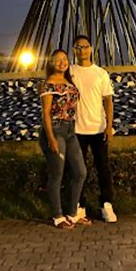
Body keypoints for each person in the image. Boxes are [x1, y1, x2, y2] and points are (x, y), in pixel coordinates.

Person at [39, 49, 91, 229]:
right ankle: (58, 215)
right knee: (57, 174)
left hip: (70, 130)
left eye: (65, 59)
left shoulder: (69, 82)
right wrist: (51, 138)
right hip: (55, 129)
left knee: (81, 172)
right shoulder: (49, 84)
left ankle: (72, 213)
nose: (62, 62)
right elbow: (45, 113)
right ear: (52, 63)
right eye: (58, 60)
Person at [70, 35, 117, 223]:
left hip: (98, 128)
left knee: (103, 168)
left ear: (91, 49)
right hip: (77, 129)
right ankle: (79, 206)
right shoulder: (70, 71)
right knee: (77, 170)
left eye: (85, 46)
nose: (82, 50)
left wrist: (109, 127)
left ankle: (106, 204)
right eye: (78, 47)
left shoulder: (101, 73)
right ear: (74, 50)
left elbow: (108, 101)